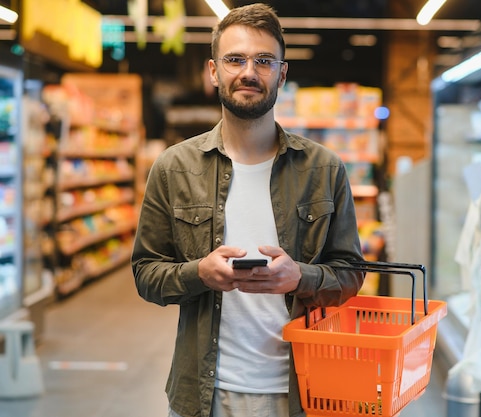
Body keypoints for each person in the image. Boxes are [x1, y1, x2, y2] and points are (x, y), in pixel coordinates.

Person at [131, 3, 365, 417]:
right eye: (235, 59)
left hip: (301, 393)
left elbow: (350, 272)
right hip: (202, 396)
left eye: (263, 60)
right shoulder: (174, 167)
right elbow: (147, 274)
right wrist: (199, 273)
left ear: (282, 74)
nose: (248, 72)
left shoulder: (324, 168)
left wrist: (300, 277)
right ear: (213, 71)